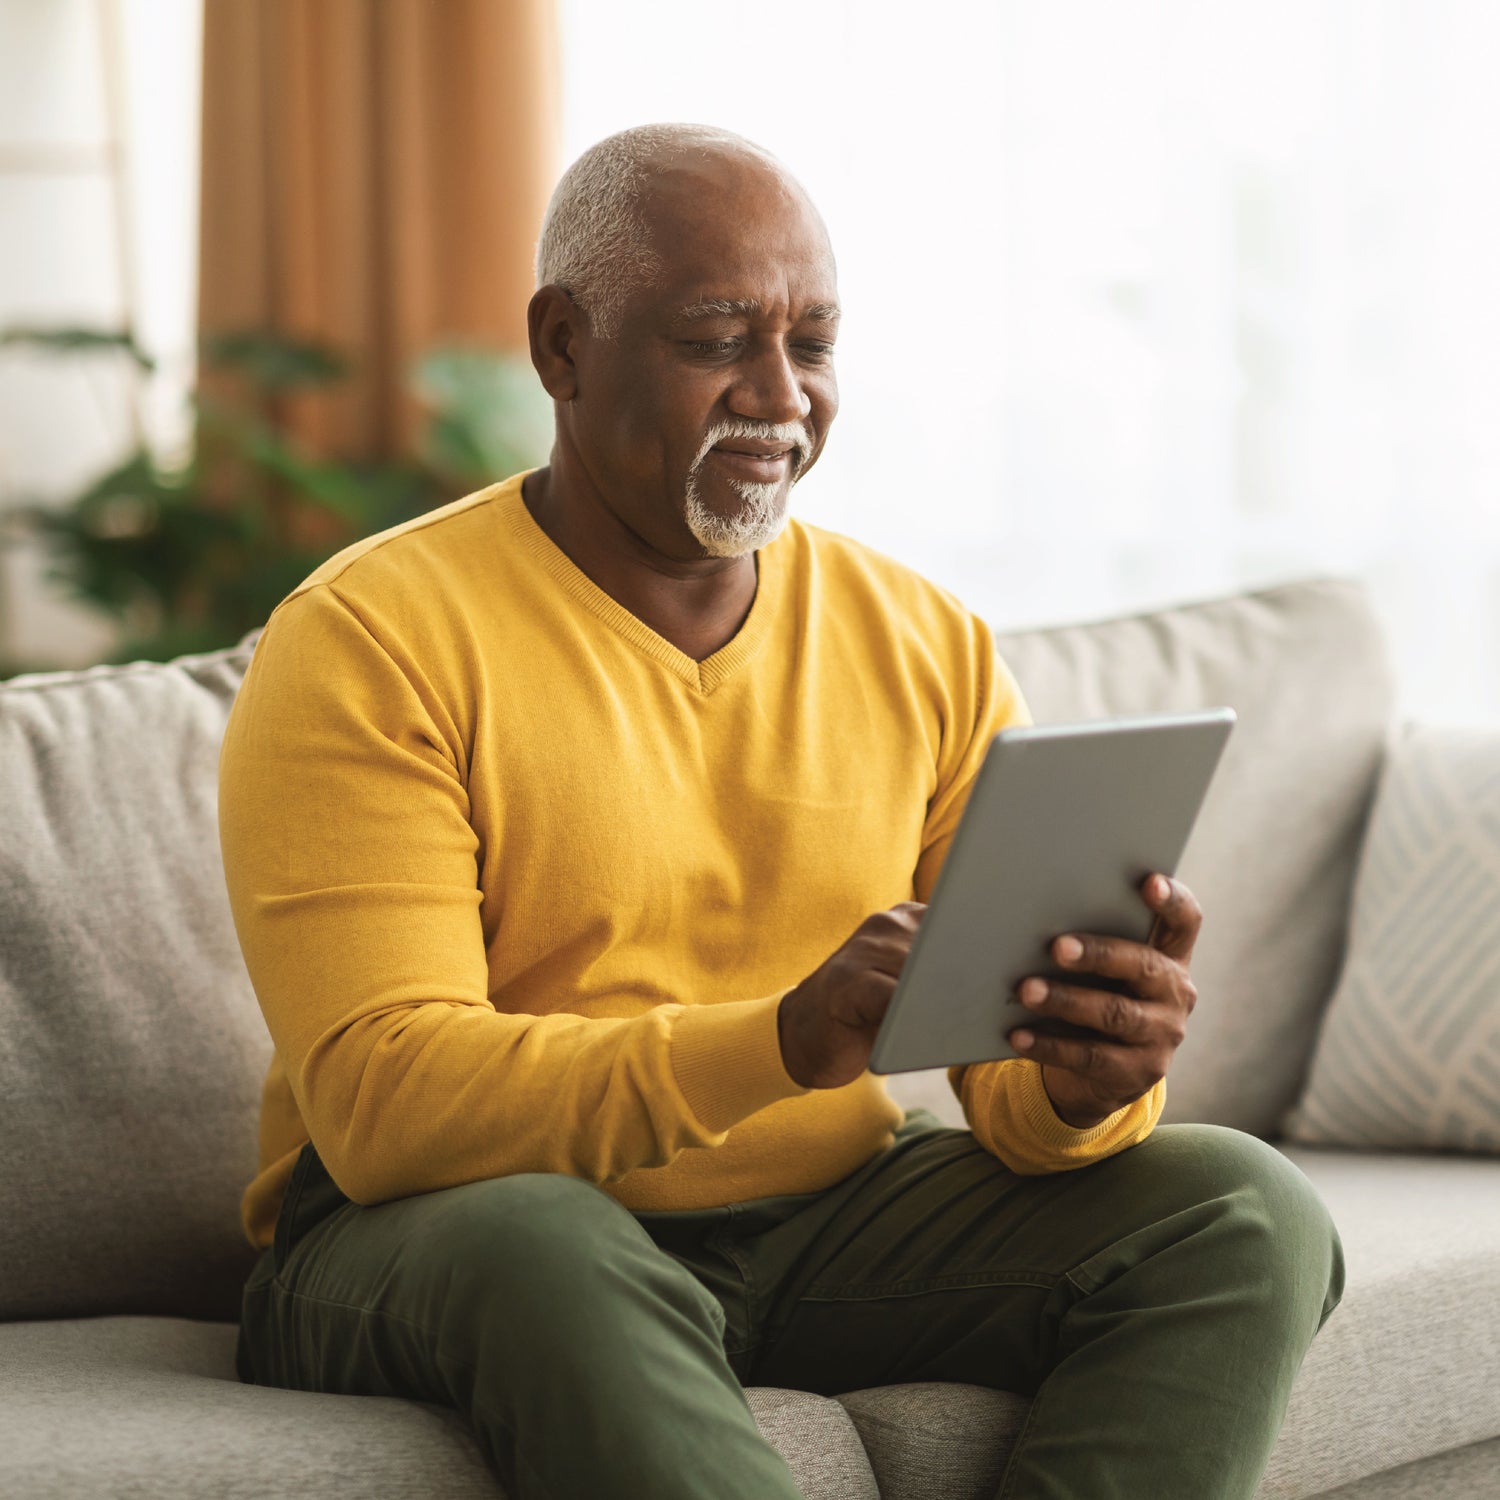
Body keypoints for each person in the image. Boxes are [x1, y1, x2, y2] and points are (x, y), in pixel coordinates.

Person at [219, 123, 1343, 1500]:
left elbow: (1011, 1094)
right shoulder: (368, 636)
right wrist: (778, 1040)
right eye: (716, 339)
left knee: (1239, 1203)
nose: (780, 396)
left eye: (811, 343)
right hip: (446, 1232)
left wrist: (1081, 1077)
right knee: (545, 1246)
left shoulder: (921, 637)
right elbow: (387, 1104)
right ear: (564, 348)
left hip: (824, 1221)